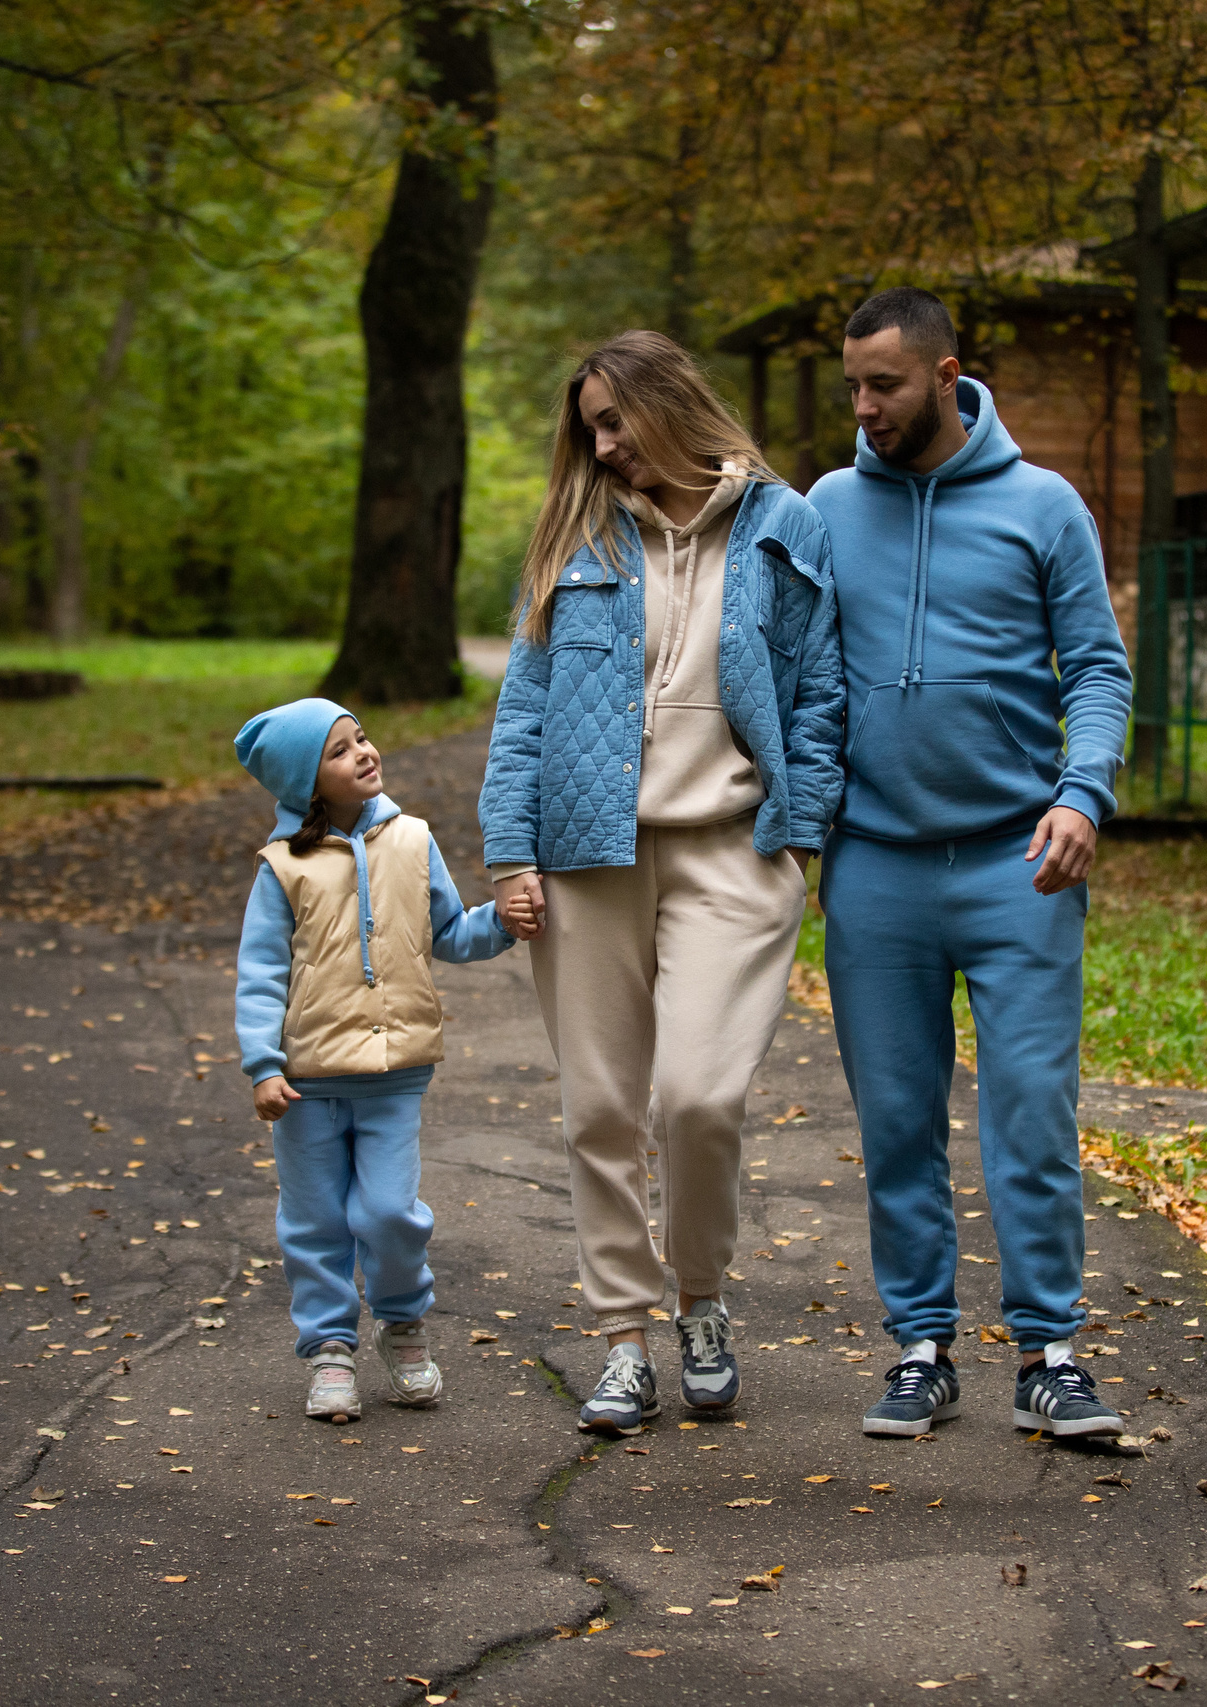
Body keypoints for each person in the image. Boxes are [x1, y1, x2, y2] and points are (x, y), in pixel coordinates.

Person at [480, 330, 844, 1436]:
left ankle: (702, 1299)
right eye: (588, 430)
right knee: (597, 1107)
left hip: (735, 848)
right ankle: (624, 1340)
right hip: (585, 852)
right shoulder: (577, 533)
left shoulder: (787, 523)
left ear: (668, 405)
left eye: (612, 421)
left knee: (697, 1098)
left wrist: (804, 833)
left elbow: (821, 692)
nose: (601, 446)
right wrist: (508, 853)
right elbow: (524, 711)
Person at [805, 287, 1135, 1441]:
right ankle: (920, 1348)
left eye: (884, 385)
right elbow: (797, 678)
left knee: (1029, 1119)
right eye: (852, 385)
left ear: (947, 377)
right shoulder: (828, 507)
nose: (864, 406)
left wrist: (1082, 795)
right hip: (877, 870)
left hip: (1019, 865)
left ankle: (1049, 1353)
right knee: (896, 1119)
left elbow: (1096, 668)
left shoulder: (1044, 506)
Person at [233, 697, 520, 1423]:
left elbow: (451, 932)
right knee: (315, 1219)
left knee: (389, 1211)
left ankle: (401, 1324)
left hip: (396, 1073)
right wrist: (264, 1065)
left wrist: (505, 922)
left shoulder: (415, 840)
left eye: (361, 736)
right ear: (306, 782)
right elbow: (261, 971)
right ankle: (330, 1347)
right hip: (306, 1080)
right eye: (339, 750)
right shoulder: (283, 867)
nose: (363, 751)